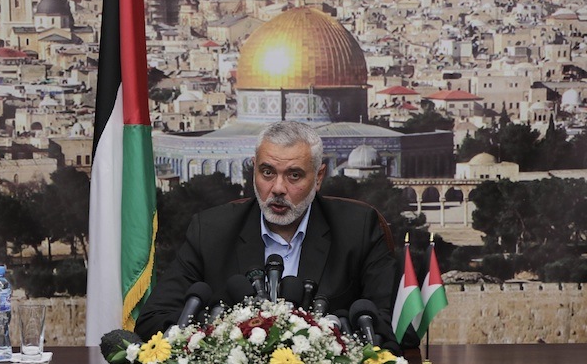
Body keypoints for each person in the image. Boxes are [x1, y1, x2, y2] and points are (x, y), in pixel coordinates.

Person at [135, 121, 401, 351]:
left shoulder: (358, 228)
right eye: (267, 172)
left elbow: (389, 327)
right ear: (254, 170)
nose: (278, 188)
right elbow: (152, 319)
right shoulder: (211, 230)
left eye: (294, 175)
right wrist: (224, 333)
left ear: (318, 177)